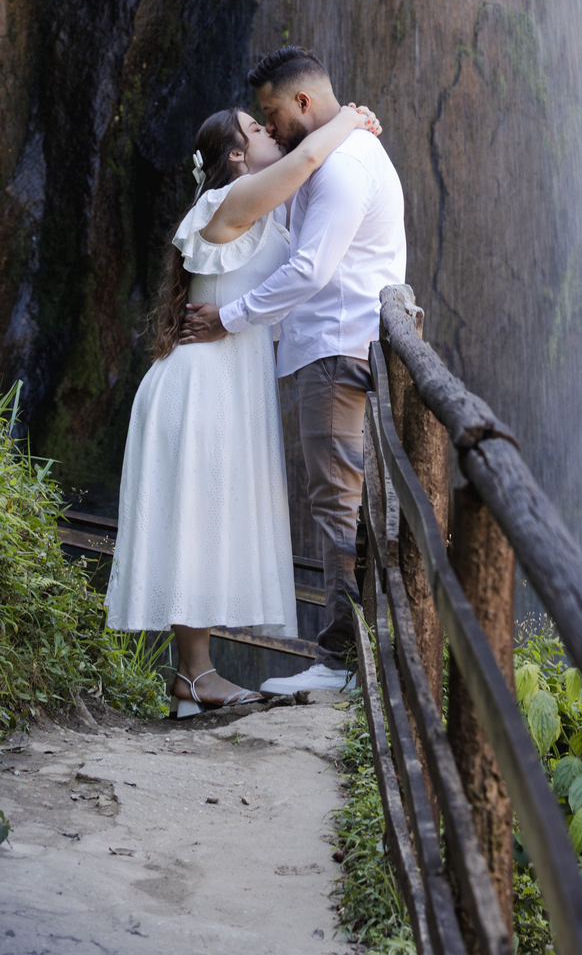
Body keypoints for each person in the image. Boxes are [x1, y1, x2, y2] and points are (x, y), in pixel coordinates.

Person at [106, 98, 380, 715]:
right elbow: (311, 155)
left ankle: (192, 681)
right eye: (257, 128)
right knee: (197, 523)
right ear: (236, 155)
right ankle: (196, 677)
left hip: (226, 387)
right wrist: (352, 118)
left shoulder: (268, 217)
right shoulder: (222, 206)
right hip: (199, 388)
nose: (269, 129)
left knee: (208, 522)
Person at [180, 46, 406, 694]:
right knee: (342, 500)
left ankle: (340, 661)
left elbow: (311, 270)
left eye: (271, 113)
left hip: (336, 352)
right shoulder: (335, 156)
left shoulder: (344, 167)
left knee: (337, 502)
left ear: (303, 102)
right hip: (330, 350)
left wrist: (230, 318)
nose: (269, 126)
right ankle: (353, 653)